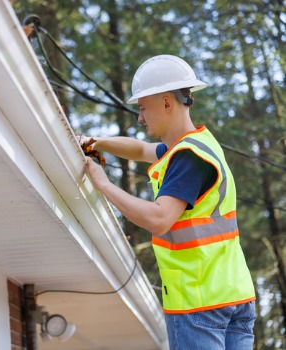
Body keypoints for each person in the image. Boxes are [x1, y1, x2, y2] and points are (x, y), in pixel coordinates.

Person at [82, 55, 256, 350]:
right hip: (233, 296)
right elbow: (140, 149)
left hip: (199, 302)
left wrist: (102, 184)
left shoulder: (187, 158)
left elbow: (159, 219)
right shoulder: (198, 145)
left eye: (142, 108)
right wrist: (93, 141)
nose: (140, 117)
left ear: (166, 103)